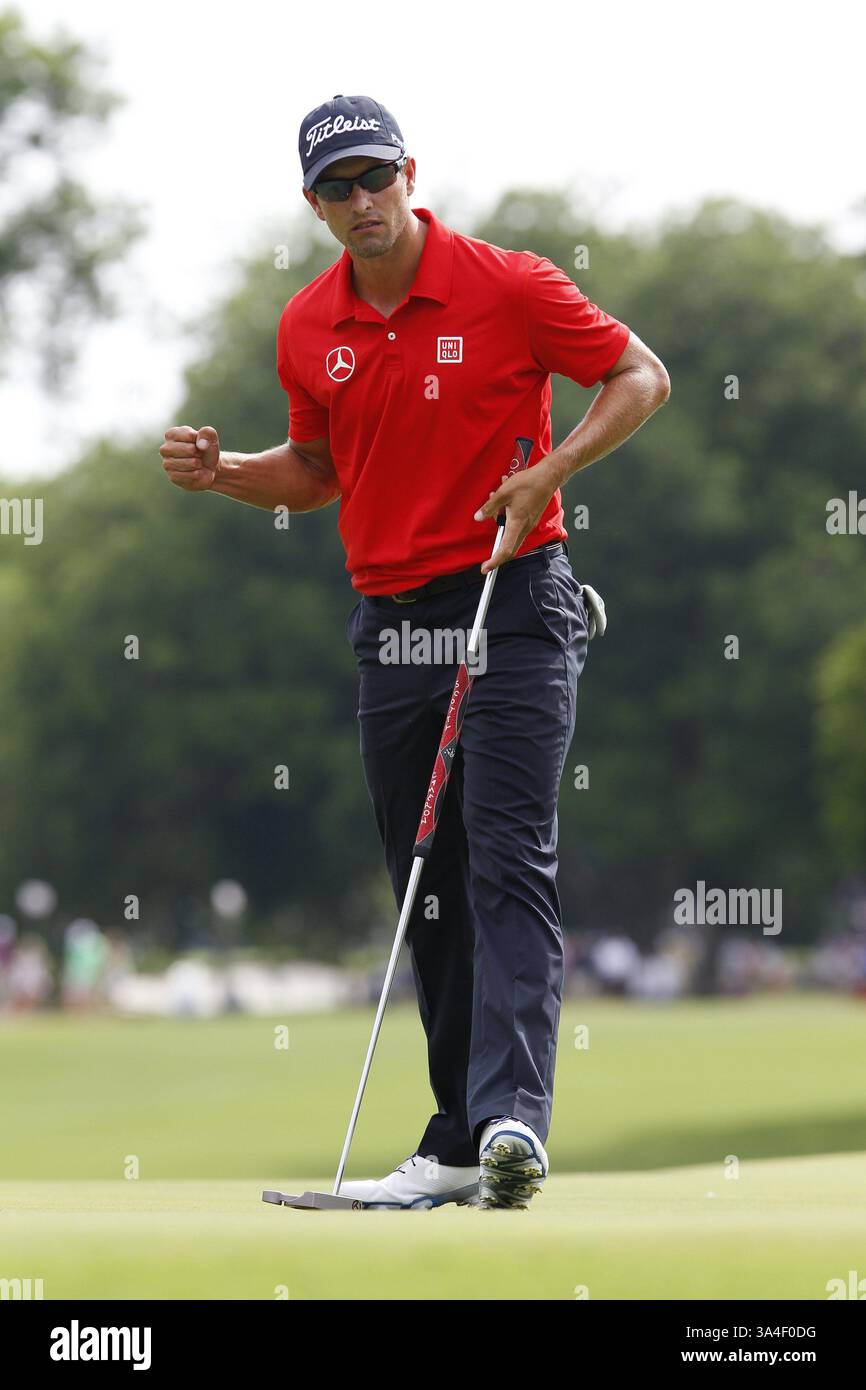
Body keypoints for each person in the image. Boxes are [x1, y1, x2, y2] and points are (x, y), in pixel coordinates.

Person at [160, 94, 670, 1209]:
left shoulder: (510, 283)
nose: (360, 200)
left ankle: (508, 1126)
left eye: (373, 176)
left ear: (407, 173)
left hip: (511, 598)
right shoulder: (306, 326)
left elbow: (639, 376)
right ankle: (453, 1141)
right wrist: (223, 473)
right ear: (314, 205)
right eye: (336, 187)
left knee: (503, 854)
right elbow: (314, 469)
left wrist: (550, 472)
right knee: (424, 881)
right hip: (391, 624)